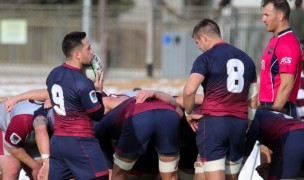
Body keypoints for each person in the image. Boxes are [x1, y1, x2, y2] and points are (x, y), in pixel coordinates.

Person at [183, 18, 258, 180]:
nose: (199, 48)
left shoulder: (206, 58)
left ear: (204, 37)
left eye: (197, 43)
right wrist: (247, 124)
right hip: (238, 125)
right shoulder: (247, 59)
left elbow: (189, 91)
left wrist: (188, 113)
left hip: (214, 124)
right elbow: (253, 99)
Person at [46, 31, 109, 179]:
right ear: (77, 54)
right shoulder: (82, 82)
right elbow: (97, 114)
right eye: (88, 48)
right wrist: (98, 91)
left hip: (57, 142)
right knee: (102, 177)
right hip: (80, 142)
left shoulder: (53, 74)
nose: (92, 51)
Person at [95, 90, 183, 180]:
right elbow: (180, 114)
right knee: (170, 175)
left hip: (139, 117)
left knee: (118, 174)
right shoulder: (127, 100)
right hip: (169, 115)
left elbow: (96, 137)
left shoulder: (109, 107)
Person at [259, 0, 302, 118]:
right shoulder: (275, 39)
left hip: (280, 108)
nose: (263, 19)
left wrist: (274, 115)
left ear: (280, 16)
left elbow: (286, 85)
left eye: (267, 15)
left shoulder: (287, 43)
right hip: (267, 106)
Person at [244, 107, 304, 179]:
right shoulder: (281, 118)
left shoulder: (251, 116)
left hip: (289, 138)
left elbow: (241, 156)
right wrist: (273, 166)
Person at [0, 100, 50, 180]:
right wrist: (35, 167)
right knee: (12, 171)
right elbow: (10, 147)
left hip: (32, 133)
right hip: (7, 131)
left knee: (42, 174)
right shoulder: (23, 119)